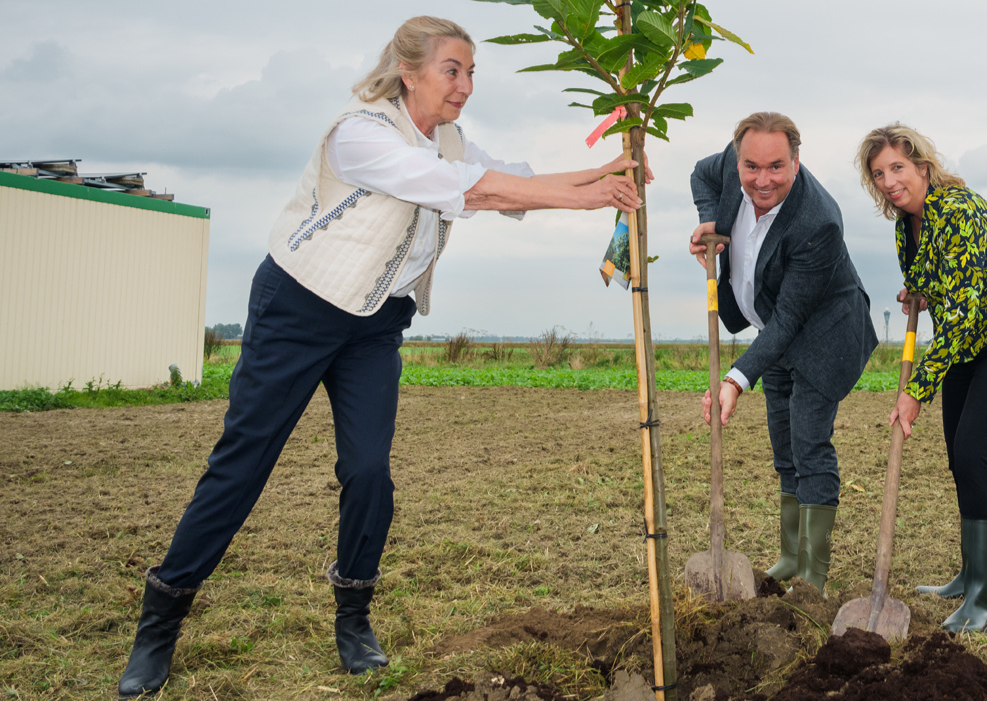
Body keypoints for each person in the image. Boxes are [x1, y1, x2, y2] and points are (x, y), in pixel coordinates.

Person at [118, 16, 651, 698]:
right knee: (243, 463)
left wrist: (611, 171)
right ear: (410, 72)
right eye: (452, 70)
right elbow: (475, 190)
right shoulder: (361, 133)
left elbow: (507, 177)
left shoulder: (449, 139)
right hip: (299, 308)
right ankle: (159, 622)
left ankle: (354, 617)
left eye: (471, 71)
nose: (465, 85)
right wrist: (591, 192)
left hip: (375, 324)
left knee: (369, 471)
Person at [856, 122, 987, 633]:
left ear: (923, 166)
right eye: (878, 173)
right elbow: (929, 283)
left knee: (975, 455)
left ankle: (981, 606)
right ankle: (968, 576)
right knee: (960, 459)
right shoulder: (908, 224)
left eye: (897, 167)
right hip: (969, 348)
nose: (888, 181)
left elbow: (966, 314)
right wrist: (916, 293)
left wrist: (917, 391)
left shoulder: (960, 212)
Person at [688, 112, 878, 595]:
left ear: (796, 160)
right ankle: (790, 556)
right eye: (751, 167)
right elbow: (700, 173)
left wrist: (734, 379)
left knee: (809, 444)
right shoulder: (732, 170)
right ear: (739, 160)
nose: (762, 179)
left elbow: (793, 319)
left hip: (825, 334)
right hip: (773, 329)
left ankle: (812, 573)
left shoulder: (818, 221)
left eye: (776, 167)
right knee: (783, 446)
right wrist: (710, 218)